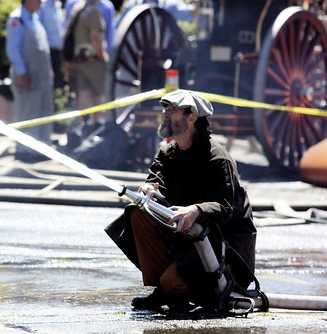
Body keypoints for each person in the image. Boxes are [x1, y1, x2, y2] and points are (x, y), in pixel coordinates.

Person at [105, 89, 257, 312]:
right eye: (165, 108)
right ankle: (163, 289)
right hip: (187, 240)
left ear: (192, 117)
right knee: (138, 213)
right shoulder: (168, 152)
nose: (165, 113)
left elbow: (225, 207)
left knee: (173, 284)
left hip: (224, 252)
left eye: (173, 110)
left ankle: (177, 289)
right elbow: (156, 180)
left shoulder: (217, 158)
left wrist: (196, 210)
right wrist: (149, 188)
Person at [6, 0, 54, 162]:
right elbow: (13, 48)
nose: (41, 2)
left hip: (41, 77)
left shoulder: (35, 20)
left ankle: (40, 148)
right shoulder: (17, 20)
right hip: (28, 76)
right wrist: (21, 72)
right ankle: (24, 150)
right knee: (27, 111)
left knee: (42, 110)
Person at [65, 0, 109, 126]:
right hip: (92, 60)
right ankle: (96, 126)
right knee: (99, 95)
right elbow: (95, 38)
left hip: (79, 60)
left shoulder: (78, 9)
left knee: (82, 94)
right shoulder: (94, 11)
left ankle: (79, 127)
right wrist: (103, 57)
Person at [38, 0, 66, 89]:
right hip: (47, 52)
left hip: (59, 52)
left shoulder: (58, 5)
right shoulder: (42, 6)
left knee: (58, 83)